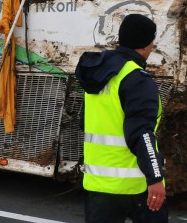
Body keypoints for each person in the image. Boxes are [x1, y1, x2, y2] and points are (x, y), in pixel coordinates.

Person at [75, 14, 167, 223]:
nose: (153, 46)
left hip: (98, 185)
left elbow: (84, 122)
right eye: (152, 40)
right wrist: (155, 178)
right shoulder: (137, 79)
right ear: (145, 44)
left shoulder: (100, 74)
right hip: (136, 186)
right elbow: (142, 133)